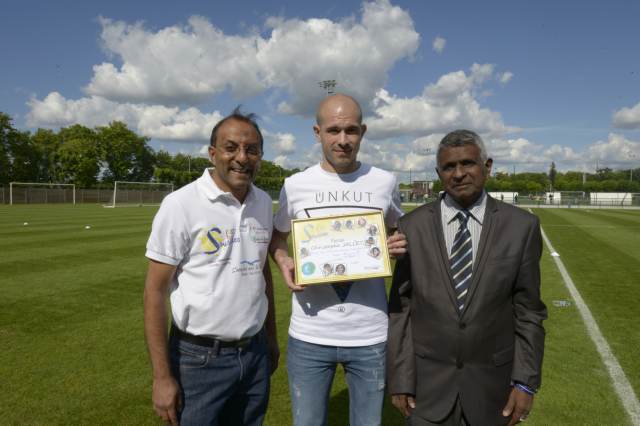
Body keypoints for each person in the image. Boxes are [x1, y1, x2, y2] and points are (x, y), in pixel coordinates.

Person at [387, 130, 547, 426]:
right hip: (427, 391)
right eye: (449, 167)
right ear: (438, 173)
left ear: (487, 167)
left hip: (492, 390)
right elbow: (401, 309)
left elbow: (529, 312)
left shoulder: (521, 227)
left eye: (468, 163)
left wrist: (525, 382)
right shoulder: (411, 226)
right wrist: (400, 378)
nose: (459, 173)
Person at [269, 93, 407, 426]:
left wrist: (397, 244)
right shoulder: (296, 184)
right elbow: (278, 236)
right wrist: (284, 259)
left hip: (370, 334)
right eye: (333, 130)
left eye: (351, 131)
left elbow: (399, 231)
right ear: (318, 133)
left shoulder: (384, 182)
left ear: (363, 131)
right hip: (310, 334)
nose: (342, 140)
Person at [143, 108, 279, 426]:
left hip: (254, 354)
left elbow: (262, 273)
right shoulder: (181, 204)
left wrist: (270, 338)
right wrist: (162, 377)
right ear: (213, 152)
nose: (242, 158)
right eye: (231, 147)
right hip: (198, 360)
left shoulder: (262, 203)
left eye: (252, 149)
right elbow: (154, 291)